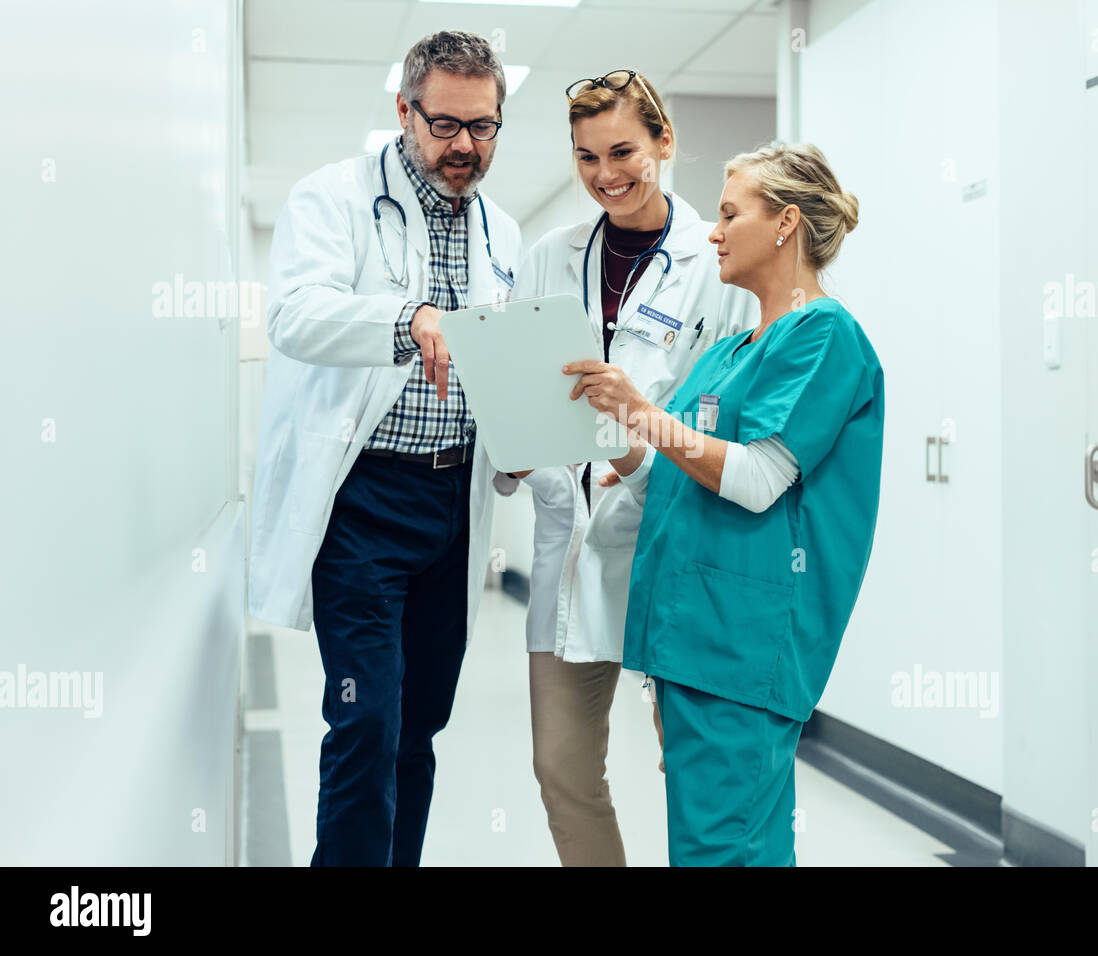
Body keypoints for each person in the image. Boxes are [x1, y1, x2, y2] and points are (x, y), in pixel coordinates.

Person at [564, 142, 884, 866]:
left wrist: (642, 413)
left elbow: (758, 477)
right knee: (731, 845)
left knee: (722, 849)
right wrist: (614, 440)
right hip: (691, 641)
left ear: (786, 224)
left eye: (730, 213)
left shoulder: (824, 335)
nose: (712, 231)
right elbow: (677, 477)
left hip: (742, 645)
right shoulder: (730, 351)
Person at [247, 31, 521, 866]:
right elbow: (294, 314)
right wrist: (407, 321)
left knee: (420, 722)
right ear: (404, 110)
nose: (464, 147)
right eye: (444, 125)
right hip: (363, 506)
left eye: (483, 127)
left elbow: (497, 358)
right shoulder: (331, 199)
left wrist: (514, 436)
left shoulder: (500, 232)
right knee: (366, 716)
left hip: (451, 506)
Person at [493, 69, 759, 866]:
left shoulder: (716, 265)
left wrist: (642, 441)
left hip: (677, 538)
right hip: (573, 538)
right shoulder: (550, 258)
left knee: (694, 767)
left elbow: (732, 417)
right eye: (585, 157)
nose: (605, 175)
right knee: (563, 769)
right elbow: (518, 386)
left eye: (622, 151)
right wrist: (523, 454)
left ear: (663, 142)